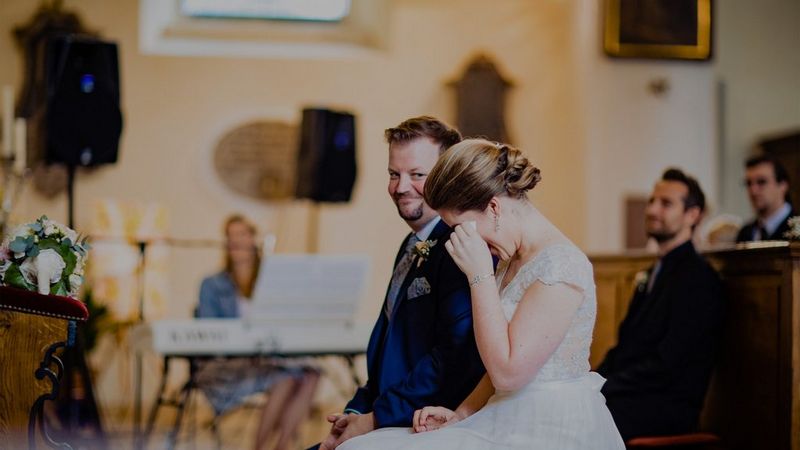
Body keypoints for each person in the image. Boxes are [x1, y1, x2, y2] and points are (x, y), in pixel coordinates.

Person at [339, 139, 624, 449]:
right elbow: (493, 368)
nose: (458, 241)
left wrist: (479, 276)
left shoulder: (561, 265)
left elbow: (508, 374)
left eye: (462, 228)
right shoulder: (509, 259)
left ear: (494, 207)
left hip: (548, 425)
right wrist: (460, 414)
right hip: (500, 415)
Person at [313, 117, 485, 450]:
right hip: (385, 413)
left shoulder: (460, 246)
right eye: (394, 174)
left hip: (423, 422)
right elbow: (389, 355)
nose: (401, 187)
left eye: (417, 175)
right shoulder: (410, 245)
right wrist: (355, 412)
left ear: (447, 175)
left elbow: (453, 358)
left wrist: (375, 419)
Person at [597, 168, 725, 440]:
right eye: (652, 201)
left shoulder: (699, 278)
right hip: (631, 395)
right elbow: (625, 346)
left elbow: (668, 363)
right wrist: (592, 380)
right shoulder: (654, 271)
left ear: (693, 215)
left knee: (575, 419)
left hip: (663, 407)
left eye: (666, 203)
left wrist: (605, 387)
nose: (652, 209)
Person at [196, 214, 320, 450]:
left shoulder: (270, 282)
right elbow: (209, 332)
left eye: (242, 234)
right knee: (285, 377)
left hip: (262, 359)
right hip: (227, 365)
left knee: (311, 373)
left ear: (253, 238)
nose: (236, 241)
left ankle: (282, 444)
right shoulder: (212, 285)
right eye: (231, 236)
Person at [736, 154, 795, 242]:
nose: (753, 191)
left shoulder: (796, 229)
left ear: (783, 185)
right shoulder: (745, 233)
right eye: (748, 183)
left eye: (761, 182)